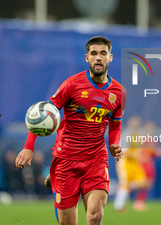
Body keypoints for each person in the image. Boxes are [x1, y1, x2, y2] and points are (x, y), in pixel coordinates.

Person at [15, 36, 126, 225]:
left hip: (96, 159)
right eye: (94, 53)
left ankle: (58, 178)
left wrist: (115, 144)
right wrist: (28, 147)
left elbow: (115, 125)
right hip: (67, 159)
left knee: (95, 215)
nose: (98, 58)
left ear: (110, 57)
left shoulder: (118, 93)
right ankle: (58, 175)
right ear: (87, 58)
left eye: (103, 53)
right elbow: (43, 114)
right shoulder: (72, 85)